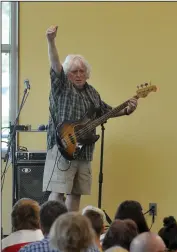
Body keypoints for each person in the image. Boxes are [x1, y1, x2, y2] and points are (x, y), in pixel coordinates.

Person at [42, 25, 138, 211]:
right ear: (67, 73)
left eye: (81, 71)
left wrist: (127, 109)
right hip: (62, 147)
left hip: (84, 151)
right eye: (74, 71)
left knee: (76, 193)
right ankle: (52, 232)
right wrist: (51, 41)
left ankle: (71, 230)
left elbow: (106, 111)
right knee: (57, 192)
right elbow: (55, 65)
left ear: (86, 73)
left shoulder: (92, 93)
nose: (78, 75)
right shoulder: (62, 86)